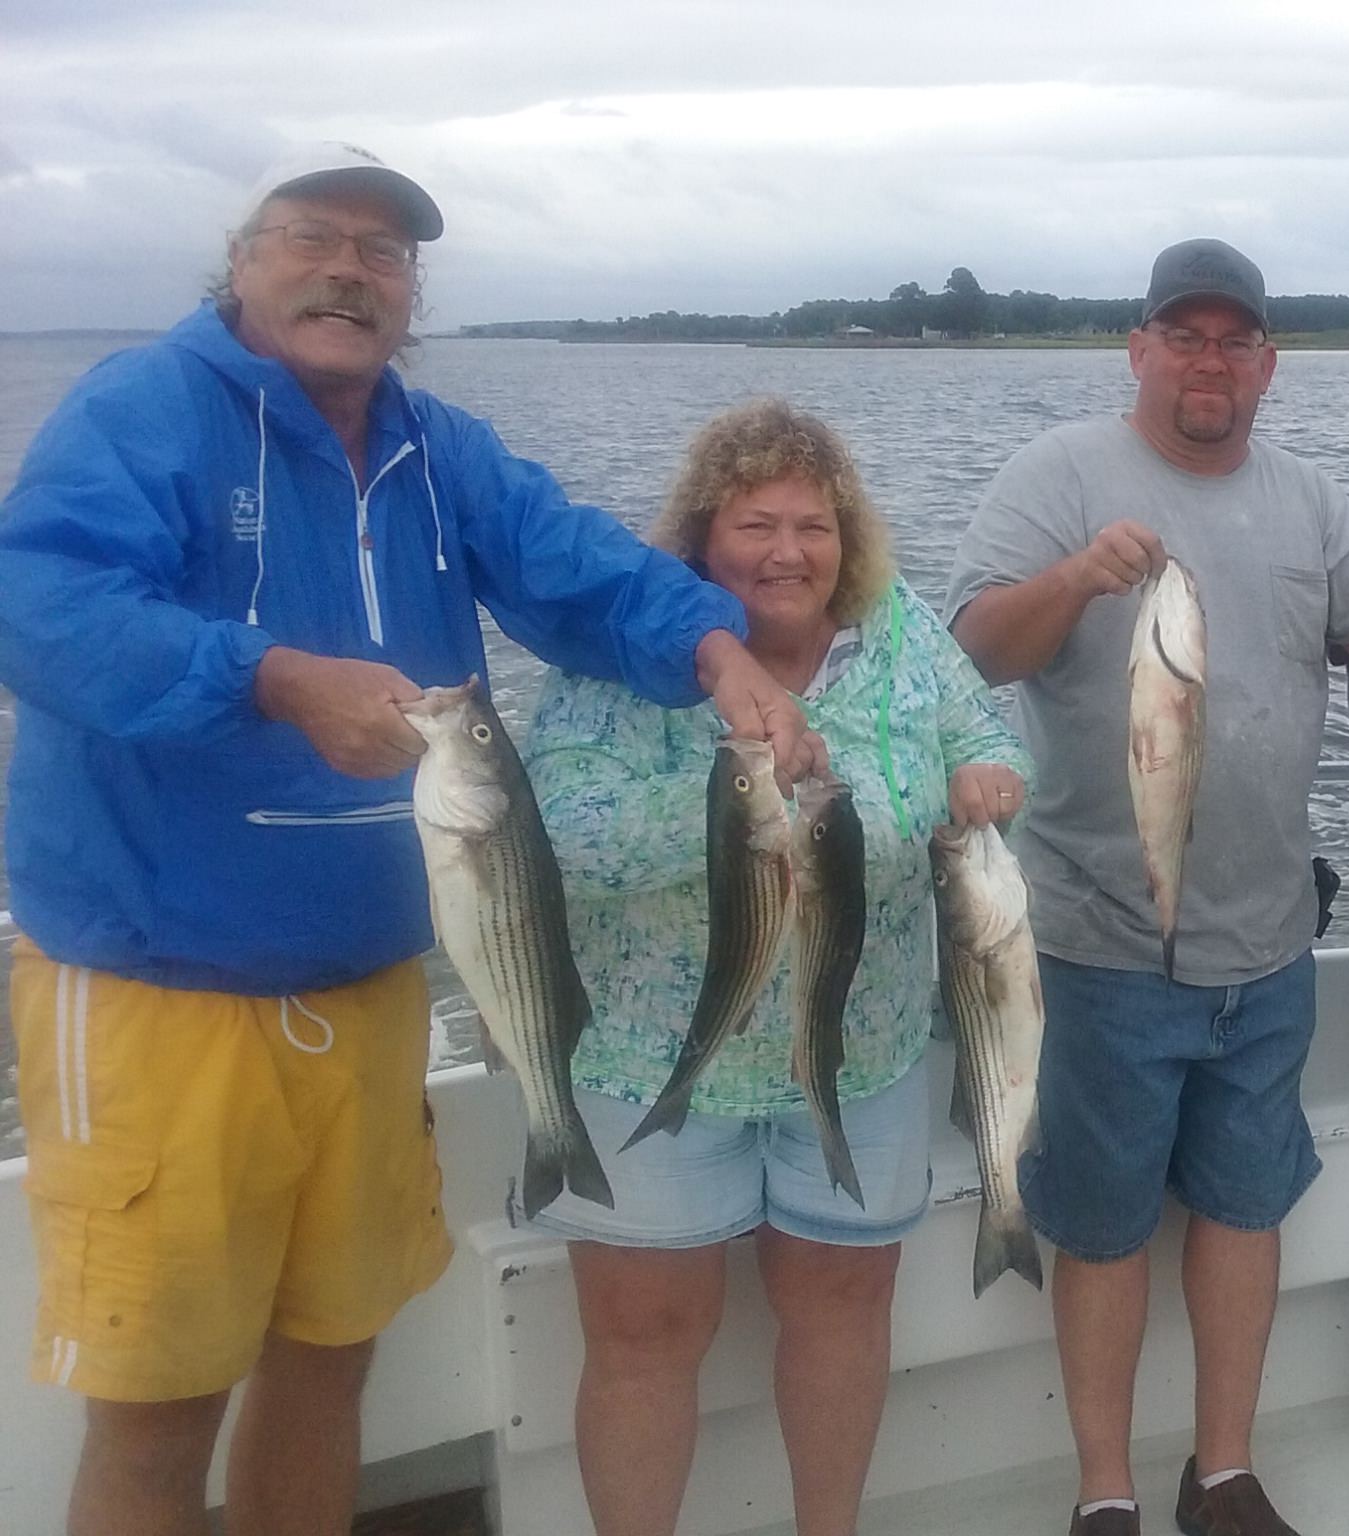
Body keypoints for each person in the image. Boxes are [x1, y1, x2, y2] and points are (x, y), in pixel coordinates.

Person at [0, 143, 819, 1536]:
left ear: (412, 295)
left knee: (332, 1365)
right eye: (313, 237)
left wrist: (717, 653)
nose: (349, 271)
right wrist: (269, 676)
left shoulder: (441, 451)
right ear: (242, 262)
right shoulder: (144, 409)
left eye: (385, 254)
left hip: (373, 988)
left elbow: (581, 567)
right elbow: (39, 604)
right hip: (160, 988)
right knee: (157, 1417)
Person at [943, 237, 1349, 1536]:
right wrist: (1075, 577)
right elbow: (973, 643)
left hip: (1268, 944)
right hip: (1093, 940)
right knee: (1109, 1227)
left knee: (1245, 1211)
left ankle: (1223, 1474)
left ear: (1269, 363)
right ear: (1137, 350)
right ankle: (1107, 1491)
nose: (1209, 360)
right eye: (1182, 336)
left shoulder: (1310, 500)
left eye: (1234, 339)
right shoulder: (1058, 474)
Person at [520, 398, 1029, 1536]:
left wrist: (989, 779)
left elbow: (986, 736)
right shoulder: (621, 649)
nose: (786, 551)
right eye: (755, 524)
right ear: (700, 538)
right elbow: (558, 836)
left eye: (813, 525)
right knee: (646, 1337)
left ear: (849, 543)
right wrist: (738, 798)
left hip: (864, 1050)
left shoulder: (896, 630)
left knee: (846, 1307)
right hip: (647, 1060)